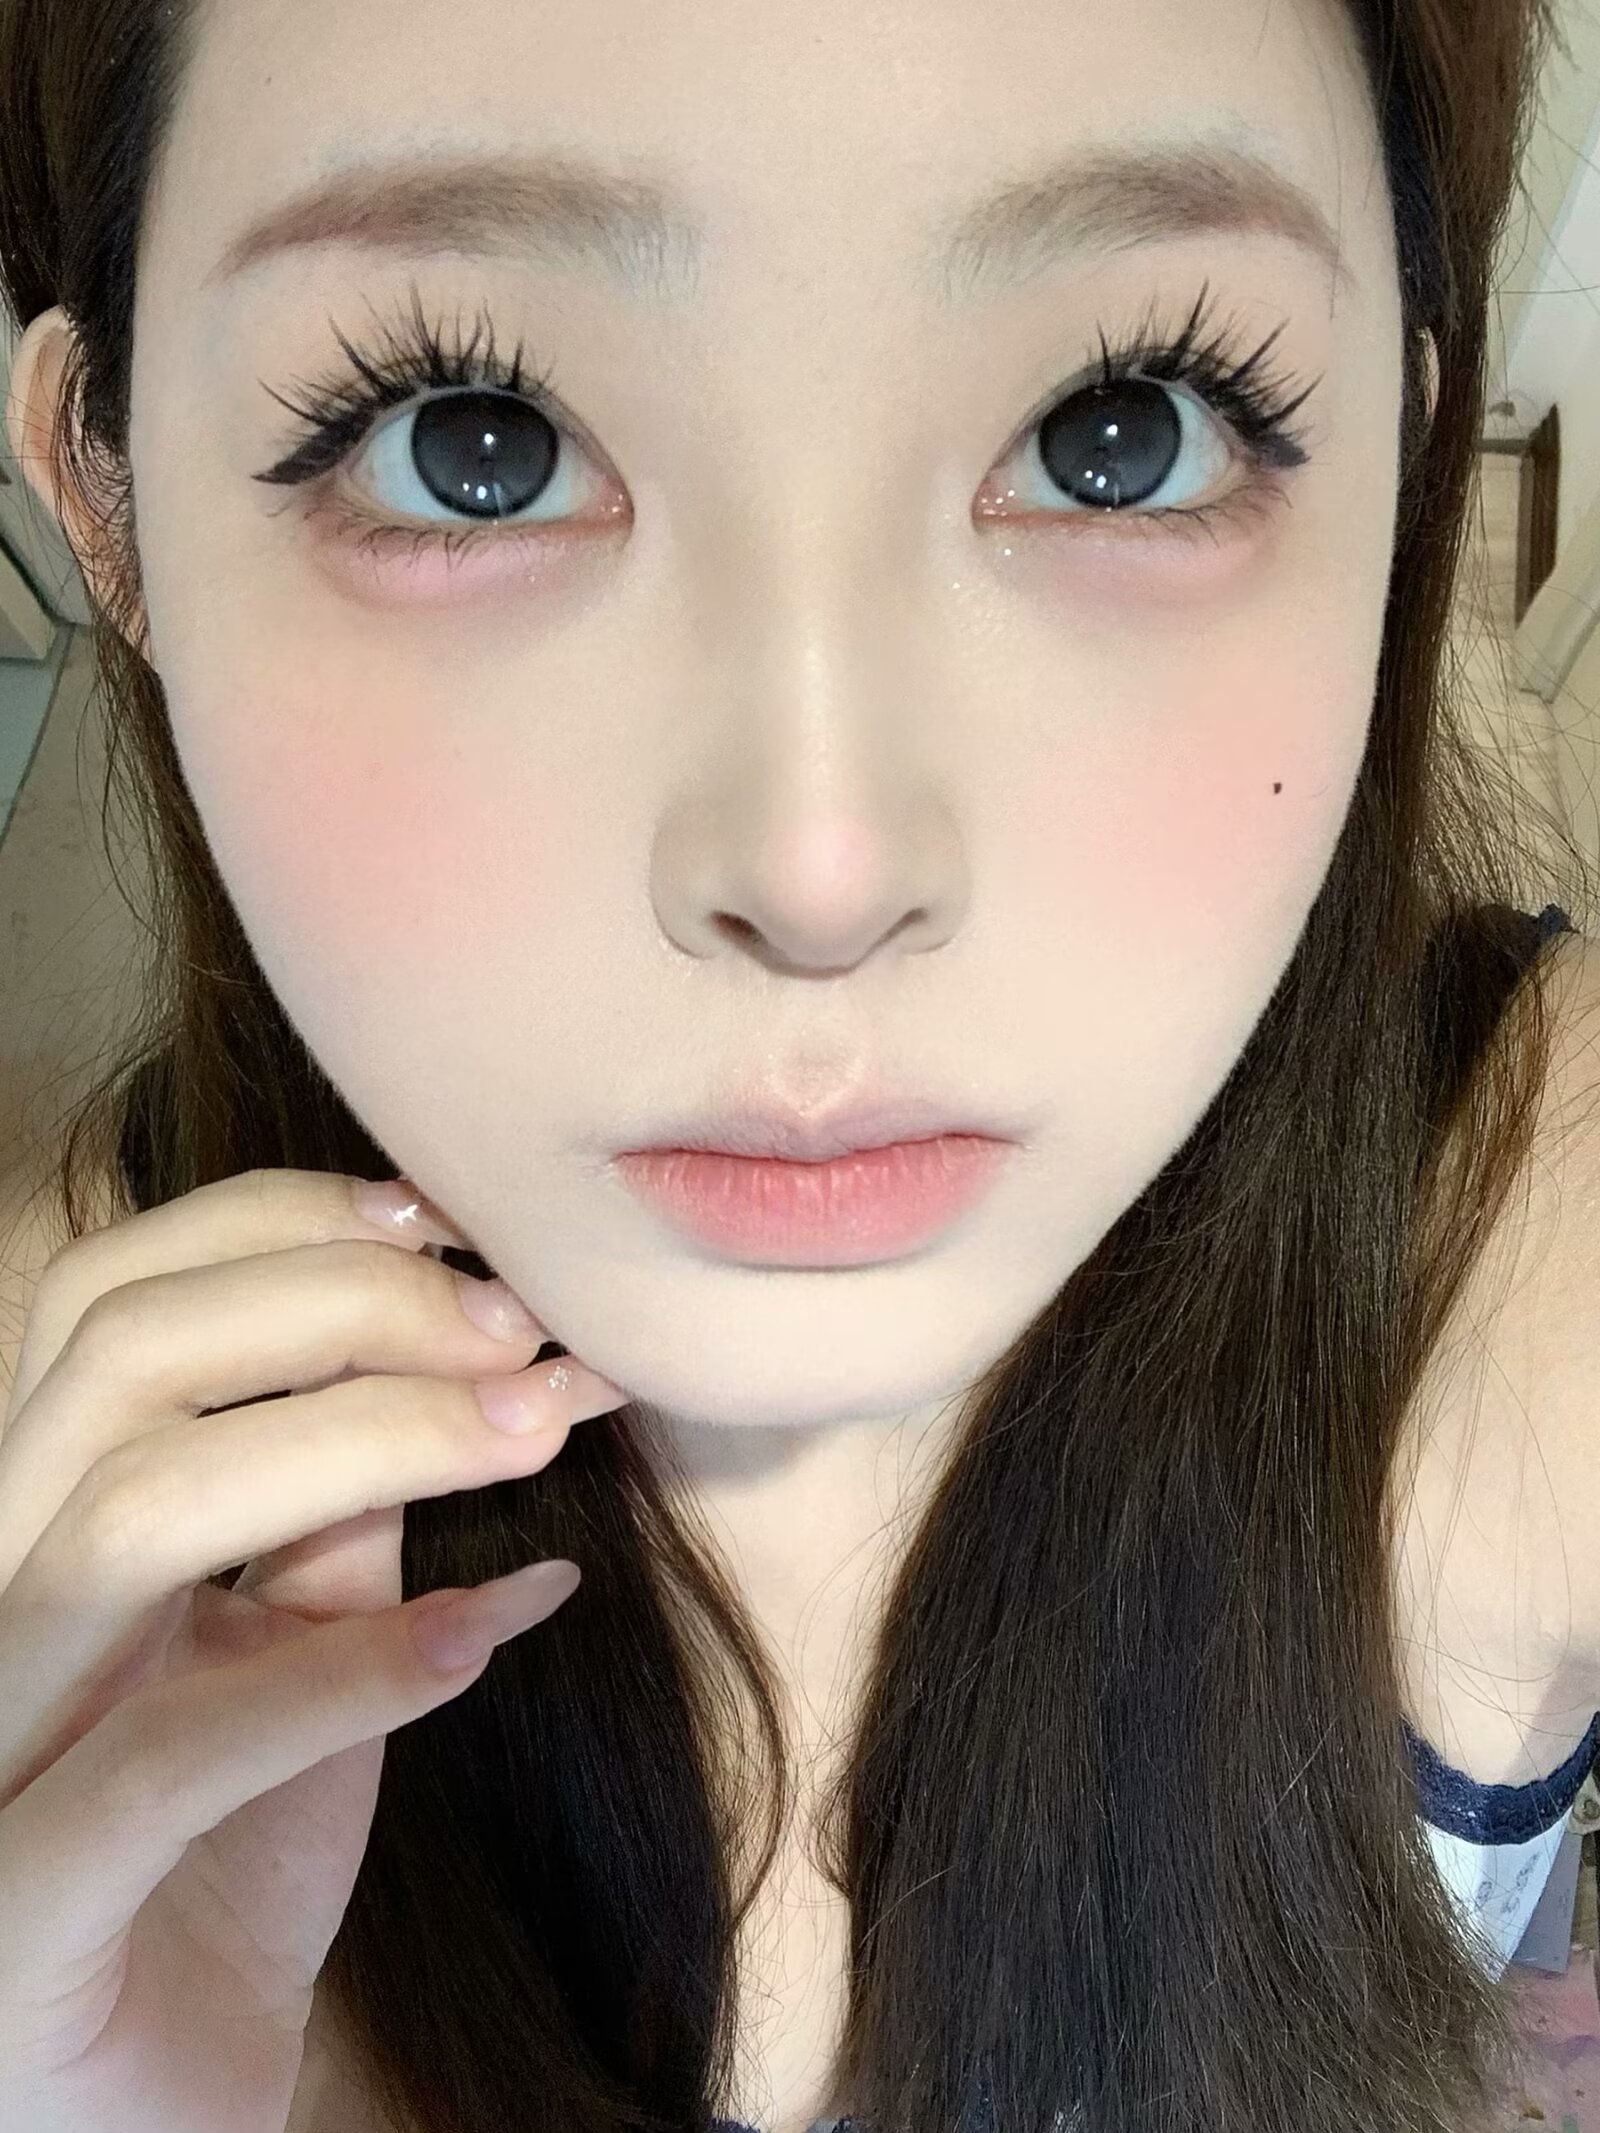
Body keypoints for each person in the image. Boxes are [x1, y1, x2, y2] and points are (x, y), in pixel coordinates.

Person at [0, 0, 1594, 2127]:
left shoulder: (1540, 1241)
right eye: (471, 439)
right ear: (108, 504)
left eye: (1120, 430)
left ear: (1396, 475)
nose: (819, 864)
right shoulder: (44, 1489)